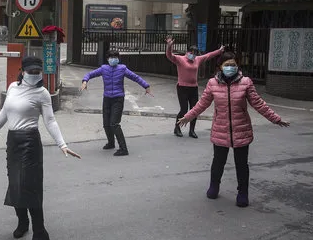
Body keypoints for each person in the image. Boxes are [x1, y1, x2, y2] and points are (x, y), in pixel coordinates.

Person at [0, 56, 80, 240]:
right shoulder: (12, 88)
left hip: (30, 143)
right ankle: (22, 222)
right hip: (13, 141)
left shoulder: (42, 93)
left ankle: (40, 234)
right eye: (31, 71)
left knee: (30, 187)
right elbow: (5, 113)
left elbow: (50, 121)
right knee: (15, 183)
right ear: (22, 71)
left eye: (37, 72)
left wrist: (62, 144)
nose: (35, 75)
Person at [178, 52, 289, 207]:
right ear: (220, 67)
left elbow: (258, 103)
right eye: (227, 65)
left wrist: (276, 119)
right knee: (218, 162)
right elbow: (202, 104)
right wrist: (188, 116)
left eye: (233, 64)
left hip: (241, 129)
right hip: (220, 129)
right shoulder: (212, 83)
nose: (230, 67)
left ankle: (243, 192)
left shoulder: (246, 82)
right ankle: (214, 186)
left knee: (241, 164)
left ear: (238, 66)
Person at [80, 50, 152, 156]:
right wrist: (85, 81)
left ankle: (123, 149)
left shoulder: (122, 69)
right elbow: (90, 74)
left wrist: (146, 86)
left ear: (118, 59)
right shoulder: (104, 69)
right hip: (107, 98)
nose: (113, 59)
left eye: (115, 57)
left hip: (118, 99)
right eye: (111, 57)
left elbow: (135, 77)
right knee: (106, 123)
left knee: (114, 123)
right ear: (108, 59)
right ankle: (111, 143)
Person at [166, 37, 224, 139]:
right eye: (191, 52)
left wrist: (219, 51)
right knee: (184, 109)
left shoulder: (197, 59)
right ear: (187, 52)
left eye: (195, 53)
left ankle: (192, 130)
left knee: (195, 109)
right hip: (182, 88)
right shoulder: (180, 59)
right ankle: (177, 128)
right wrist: (169, 46)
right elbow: (169, 55)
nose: (193, 54)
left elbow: (208, 55)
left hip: (193, 88)